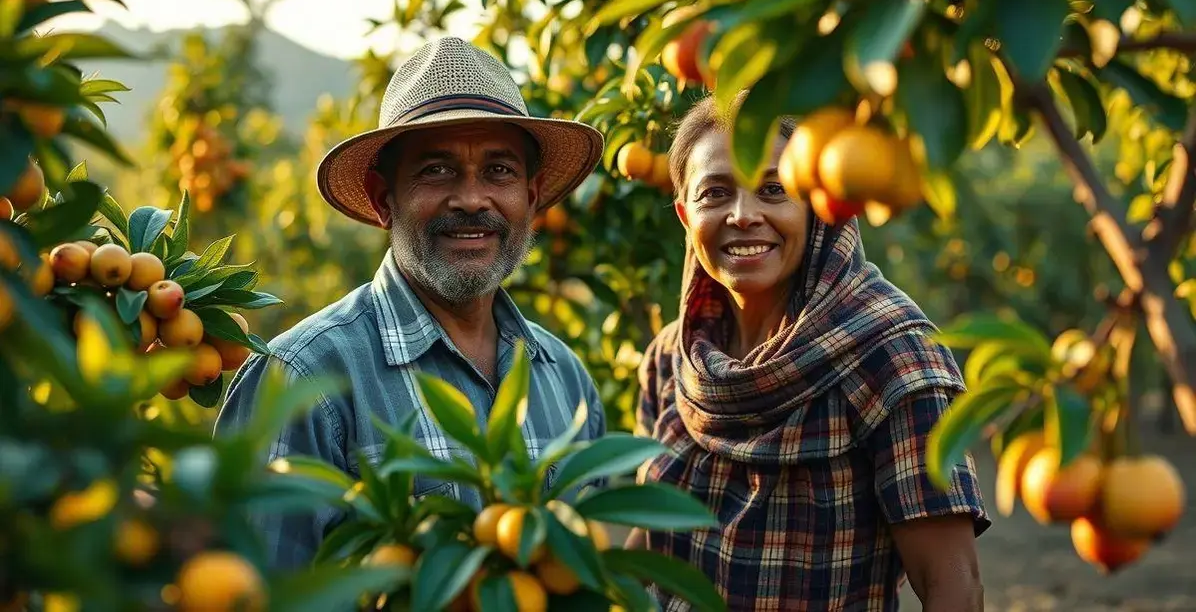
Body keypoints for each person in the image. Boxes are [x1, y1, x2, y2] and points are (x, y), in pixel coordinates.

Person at [214, 36, 608, 569]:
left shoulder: (566, 380)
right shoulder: (301, 381)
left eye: (499, 171)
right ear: (383, 200)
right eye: (436, 170)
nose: (471, 199)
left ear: (532, 198)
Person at [628, 94, 990, 611]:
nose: (744, 215)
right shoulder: (671, 360)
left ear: (820, 203)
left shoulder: (892, 356)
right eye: (716, 193)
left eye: (775, 189)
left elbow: (952, 585)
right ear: (686, 216)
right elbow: (653, 531)